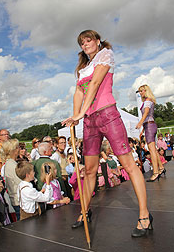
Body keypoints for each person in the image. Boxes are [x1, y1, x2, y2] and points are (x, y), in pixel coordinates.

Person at [62, 30, 152, 237]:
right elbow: (79, 92)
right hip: (90, 121)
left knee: (129, 165)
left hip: (108, 115)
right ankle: (85, 211)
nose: (85, 45)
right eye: (81, 43)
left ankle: (145, 215)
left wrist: (81, 113)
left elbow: (95, 84)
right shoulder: (82, 68)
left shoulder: (106, 54)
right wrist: (76, 116)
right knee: (90, 170)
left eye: (88, 40)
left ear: (97, 41)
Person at [136, 85, 166, 181]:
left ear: (146, 91)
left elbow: (146, 112)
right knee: (153, 149)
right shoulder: (148, 101)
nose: (140, 93)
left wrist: (140, 123)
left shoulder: (148, 101)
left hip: (149, 125)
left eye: (142, 91)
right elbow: (149, 116)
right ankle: (161, 168)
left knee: (152, 150)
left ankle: (155, 172)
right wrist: (143, 129)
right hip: (149, 125)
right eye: (139, 91)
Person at [0, 139, 21, 220]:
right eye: (18, 147)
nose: (19, 149)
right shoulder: (12, 165)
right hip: (18, 200)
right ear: (14, 150)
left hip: (16, 199)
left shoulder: (10, 163)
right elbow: (21, 182)